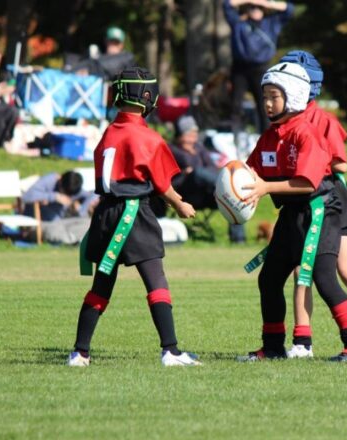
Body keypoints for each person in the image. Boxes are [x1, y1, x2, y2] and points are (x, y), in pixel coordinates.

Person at [68, 67, 201, 367]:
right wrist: (180, 204)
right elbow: (162, 185)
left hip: (105, 214)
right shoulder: (147, 137)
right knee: (156, 280)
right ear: (146, 96)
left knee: (101, 286)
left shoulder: (109, 132)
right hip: (133, 214)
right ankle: (171, 351)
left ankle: (80, 352)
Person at [240, 62, 347, 362]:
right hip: (291, 214)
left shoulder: (305, 133)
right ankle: (273, 347)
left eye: (274, 96)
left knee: (324, 279)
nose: (267, 103)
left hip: (319, 210)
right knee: (269, 278)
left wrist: (265, 188)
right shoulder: (270, 136)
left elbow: (307, 182)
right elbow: (251, 171)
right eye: (265, 97)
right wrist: (232, 183)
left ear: (294, 96)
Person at [277, 50, 347, 359]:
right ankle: (302, 342)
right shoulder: (286, 119)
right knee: (301, 269)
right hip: (303, 199)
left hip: (330, 199)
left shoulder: (323, 120)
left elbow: (341, 163)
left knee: (345, 268)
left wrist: (311, 163)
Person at [169, 115, 246, 242]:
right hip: (186, 194)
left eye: (194, 133)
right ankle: (228, 186)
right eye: (189, 134)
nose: (193, 137)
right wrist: (187, 172)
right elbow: (173, 178)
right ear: (180, 135)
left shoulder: (199, 148)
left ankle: (239, 239)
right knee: (198, 172)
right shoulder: (172, 150)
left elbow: (212, 168)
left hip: (206, 193)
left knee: (232, 197)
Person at [223, 0, 294, 134]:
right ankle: (235, 135)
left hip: (261, 68)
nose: (256, 10)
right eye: (252, 8)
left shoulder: (271, 23)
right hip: (240, 68)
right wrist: (249, 0)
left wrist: (267, 3)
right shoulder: (239, 24)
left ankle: (266, 135)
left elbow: (289, 9)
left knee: (264, 104)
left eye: (259, 8)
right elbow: (227, 5)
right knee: (235, 105)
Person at [21, 170, 98, 245]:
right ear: (60, 180)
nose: (67, 196)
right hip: (42, 223)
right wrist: (55, 197)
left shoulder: (73, 189)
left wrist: (81, 211)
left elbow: (94, 194)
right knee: (55, 232)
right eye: (65, 193)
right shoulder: (50, 180)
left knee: (89, 223)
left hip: (62, 222)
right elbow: (26, 197)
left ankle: (72, 238)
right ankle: (72, 239)